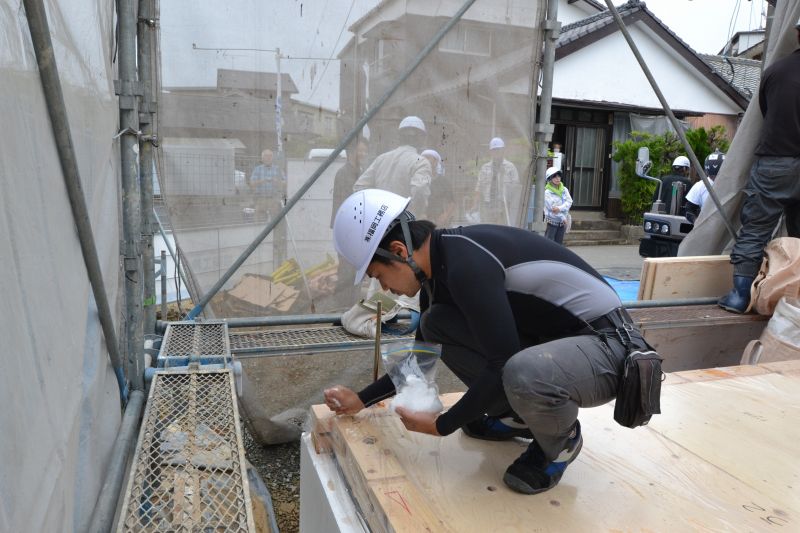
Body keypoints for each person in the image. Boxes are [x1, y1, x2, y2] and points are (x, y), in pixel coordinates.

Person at [325, 188, 651, 495]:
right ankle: (518, 417)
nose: (385, 288)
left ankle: (561, 443)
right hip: (563, 345)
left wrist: (442, 425)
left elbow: (502, 363)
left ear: (398, 251)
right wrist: (361, 400)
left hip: (610, 348)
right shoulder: (438, 272)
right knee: (436, 323)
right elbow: (422, 359)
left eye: (378, 276)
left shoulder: (465, 263)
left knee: (519, 370)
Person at [719, 22, 800, 313]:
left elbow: (766, 112)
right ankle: (794, 297)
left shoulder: (776, 72)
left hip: (775, 160)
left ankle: (741, 296)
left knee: (755, 229)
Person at [353, 116, 432, 217]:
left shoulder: (381, 159)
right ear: (421, 138)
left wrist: (375, 207)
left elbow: (359, 187)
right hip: (406, 225)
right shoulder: (421, 162)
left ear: (399, 137)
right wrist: (417, 212)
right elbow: (420, 190)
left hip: (381, 223)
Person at [331, 140, 369, 305]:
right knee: (346, 270)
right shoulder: (343, 173)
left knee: (357, 269)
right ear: (351, 152)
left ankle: (353, 304)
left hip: (358, 228)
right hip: (346, 228)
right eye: (360, 151)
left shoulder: (361, 172)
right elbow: (343, 203)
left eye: (364, 151)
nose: (363, 154)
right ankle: (341, 306)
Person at [470, 137, 520, 225]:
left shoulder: (510, 167)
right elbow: (479, 187)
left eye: (498, 150)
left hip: (503, 204)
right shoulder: (485, 168)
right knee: (488, 226)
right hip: (488, 203)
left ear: (503, 151)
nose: (496, 152)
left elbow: (516, 188)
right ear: (490, 152)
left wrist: (512, 204)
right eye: (494, 150)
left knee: (501, 227)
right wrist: (475, 205)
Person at [684, 150, 725, 224]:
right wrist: (696, 222)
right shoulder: (700, 186)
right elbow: (689, 209)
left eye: (717, 175)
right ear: (707, 172)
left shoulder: (732, 183)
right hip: (707, 224)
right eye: (712, 176)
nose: (714, 178)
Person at [421, 149, 457, 227]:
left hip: (439, 220)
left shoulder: (443, 181)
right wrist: (420, 214)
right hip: (421, 220)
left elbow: (451, 202)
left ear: (436, 162)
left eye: (428, 158)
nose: (425, 160)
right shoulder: (417, 179)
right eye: (423, 158)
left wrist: (445, 215)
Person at [248, 149, 285, 216]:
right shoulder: (257, 169)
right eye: (266, 156)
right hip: (261, 197)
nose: (268, 158)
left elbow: (285, 183)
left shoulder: (278, 169)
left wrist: (276, 181)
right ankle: (258, 225)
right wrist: (263, 181)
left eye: (270, 156)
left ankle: (274, 225)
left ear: (272, 158)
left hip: (274, 198)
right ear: (262, 158)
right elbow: (252, 183)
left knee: (275, 217)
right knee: (258, 215)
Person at [543, 166, 573, 244]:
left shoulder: (564, 189)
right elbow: (552, 208)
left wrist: (559, 208)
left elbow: (569, 201)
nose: (557, 178)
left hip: (562, 223)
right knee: (548, 244)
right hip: (552, 222)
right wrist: (562, 216)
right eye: (554, 176)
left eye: (559, 176)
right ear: (549, 178)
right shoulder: (547, 192)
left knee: (559, 244)